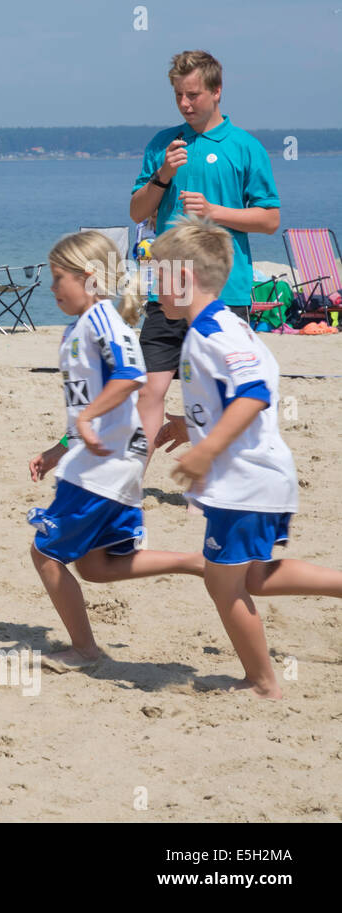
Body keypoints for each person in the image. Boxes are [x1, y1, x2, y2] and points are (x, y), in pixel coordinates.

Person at [153, 217, 342, 699]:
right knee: (253, 576)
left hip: (246, 480)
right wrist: (186, 424)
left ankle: (262, 683)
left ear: (184, 278)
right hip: (249, 480)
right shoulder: (213, 328)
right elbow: (226, 397)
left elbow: (253, 394)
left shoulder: (217, 332)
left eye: (159, 275)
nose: (154, 287)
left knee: (223, 585)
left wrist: (208, 450)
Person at [28, 231, 204, 673]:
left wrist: (85, 424)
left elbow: (130, 375)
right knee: (96, 564)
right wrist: (60, 446)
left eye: (57, 278)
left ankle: (85, 650)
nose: (51, 288)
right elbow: (88, 405)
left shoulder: (104, 318)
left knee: (44, 553)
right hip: (100, 457)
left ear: (88, 277)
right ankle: (194, 562)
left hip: (105, 463)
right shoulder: (81, 325)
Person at [129, 49, 280, 472]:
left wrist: (215, 212)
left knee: (220, 394)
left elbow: (270, 219)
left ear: (216, 91)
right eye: (178, 95)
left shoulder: (245, 147)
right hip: (168, 289)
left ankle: (218, 477)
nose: (184, 104)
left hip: (222, 292)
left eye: (193, 94)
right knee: (148, 390)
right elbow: (137, 213)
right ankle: (130, 483)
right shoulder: (163, 144)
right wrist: (162, 177)